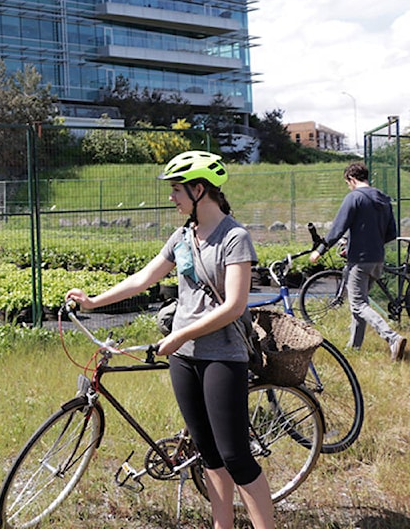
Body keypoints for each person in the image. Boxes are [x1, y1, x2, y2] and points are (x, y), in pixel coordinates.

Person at [66, 151, 275, 529]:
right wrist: (94, 300)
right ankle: (221, 524)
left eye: (177, 189)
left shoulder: (235, 238)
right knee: (208, 454)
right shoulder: (182, 236)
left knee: (236, 456)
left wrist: (180, 334)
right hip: (185, 358)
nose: (172, 197)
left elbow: (234, 306)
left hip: (222, 357)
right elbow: (141, 280)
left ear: (199, 190)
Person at [309, 161, 405, 361]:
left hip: (359, 261)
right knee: (360, 301)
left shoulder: (355, 198)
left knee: (358, 304)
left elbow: (338, 227)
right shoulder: (384, 200)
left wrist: (320, 250)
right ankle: (354, 347)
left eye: (347, 183)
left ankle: (392, 337)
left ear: (351, 179)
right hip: (377, 259)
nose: (348, 186)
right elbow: (391, 233)